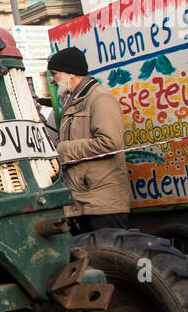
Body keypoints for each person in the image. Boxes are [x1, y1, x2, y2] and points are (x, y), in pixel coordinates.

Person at [48, 46, 132, 232]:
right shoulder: (73, 100)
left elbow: (110, 143)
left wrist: (62, 150)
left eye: (55, 74)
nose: (52, 80)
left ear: (71, 74)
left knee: (109, 257)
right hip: (83, 201)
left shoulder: (100, 98)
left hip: (103, 201)